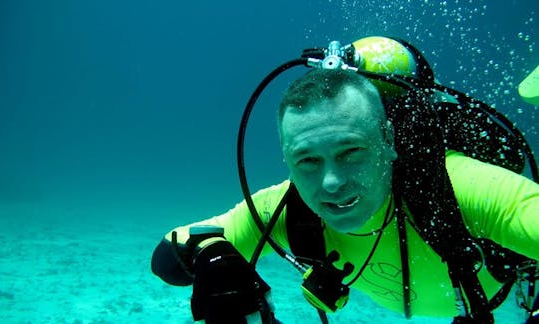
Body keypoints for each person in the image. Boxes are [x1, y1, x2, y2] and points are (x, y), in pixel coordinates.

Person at [151, 38, 539, 323]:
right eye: (307, 160)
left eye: (351, 152)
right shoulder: (285, 209)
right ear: (286, 158)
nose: (331, 182)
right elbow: (171, 252)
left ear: (388, 140)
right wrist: (213, 257)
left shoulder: (459, 189)